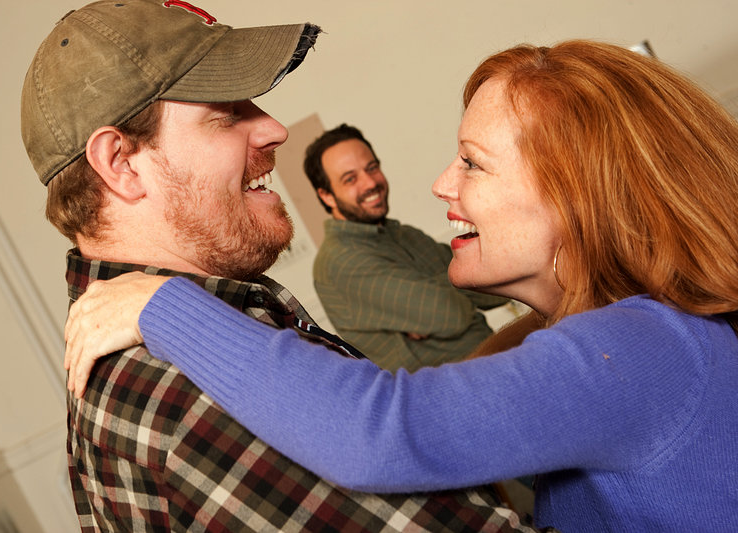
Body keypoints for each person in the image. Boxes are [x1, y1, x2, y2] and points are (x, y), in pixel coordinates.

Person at [64, 39, 738, 531]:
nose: (442, 184)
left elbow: (386, 427)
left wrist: (164, 307)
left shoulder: (637, 350)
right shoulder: (653, 339)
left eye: (473, 163)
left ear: (578, 199)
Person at [22, 1, 542, 531]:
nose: (275, 129)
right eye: (225, 113)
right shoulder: (202, 393)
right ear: (122, 164)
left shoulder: (187, 341)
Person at [303, 124, 509, 371]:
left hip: (494, 362)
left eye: (372, 168)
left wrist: (444, 290)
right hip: (449, 395)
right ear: (326, 196)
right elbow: (448, 314)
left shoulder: (403, 234)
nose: (370, 183)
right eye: (350, 179)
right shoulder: (339, 261)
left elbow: (490, 287)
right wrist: (454, 285)